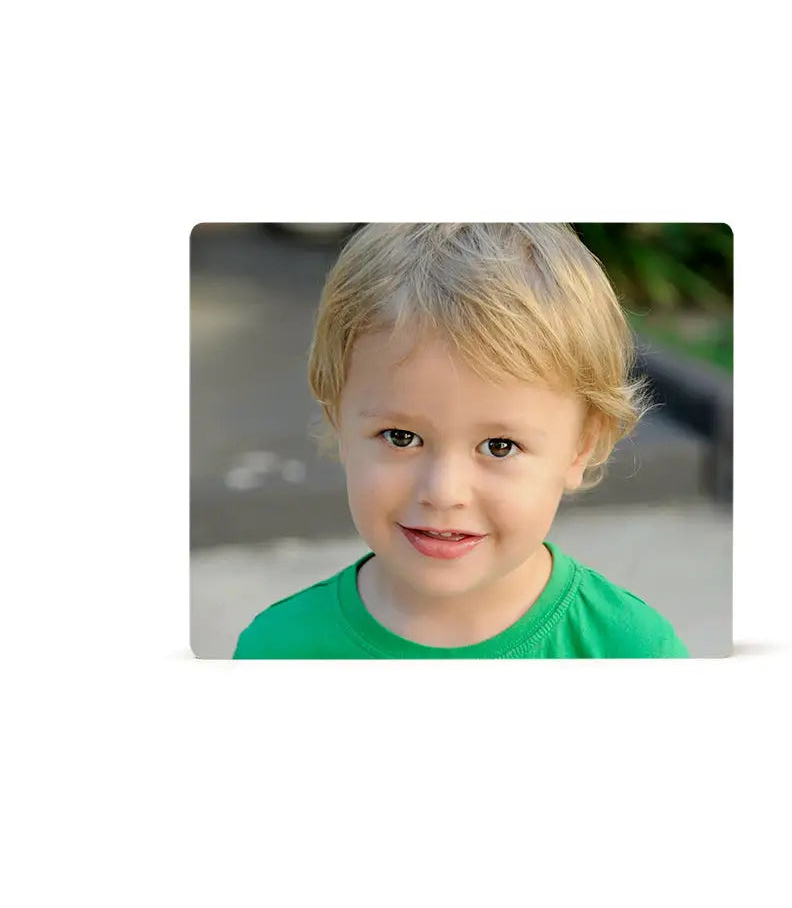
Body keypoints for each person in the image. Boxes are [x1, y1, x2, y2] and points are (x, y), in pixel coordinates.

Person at [233, 223, 689, 658]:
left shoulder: (633, 651)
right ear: (338, 421)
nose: (443, 492)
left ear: (582, 448)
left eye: (499, 446)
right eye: (401, 437)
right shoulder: (277, 649)